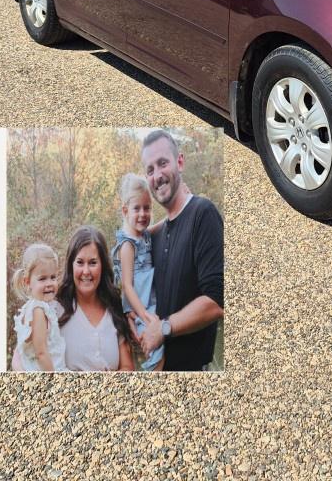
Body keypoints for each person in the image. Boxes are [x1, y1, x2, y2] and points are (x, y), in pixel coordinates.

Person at [138, 130, 224, 371]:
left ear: (180, 162)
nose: (157, 175)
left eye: (162, 163)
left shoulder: (202, 214)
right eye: (150, 170)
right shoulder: (159, 233)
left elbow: (217, 301)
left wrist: (163, 328)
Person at [57, 226, 136, 371]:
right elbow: (22, 356)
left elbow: (127, 367)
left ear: (103, 266)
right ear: (71, 265)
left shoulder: (115, 307)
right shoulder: (55, 308)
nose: (86, 271)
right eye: (80, 262)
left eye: (93, 263)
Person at [112, 174, 164, 371]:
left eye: (147, 208)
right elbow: (126, 285)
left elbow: (155, 228)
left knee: (158, 348)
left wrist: (175, 214)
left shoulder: (142, 235)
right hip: (141, 306)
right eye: (137, 209)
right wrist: (144, 315)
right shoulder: (128, 245)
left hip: (149, 303)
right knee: (155, 351)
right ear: (125, 211)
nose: (143, 214)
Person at [10, 243, 66, 372]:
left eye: (53, 277)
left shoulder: (36, 307)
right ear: (27, 282)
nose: (49, 284)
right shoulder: (38, 311)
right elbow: (41, 353)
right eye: (42, 279)